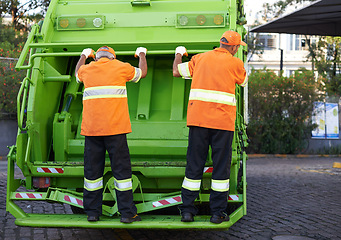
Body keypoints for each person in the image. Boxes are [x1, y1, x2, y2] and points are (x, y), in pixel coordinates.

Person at [172, 30, 247, 224]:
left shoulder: (199, 59)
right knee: (220, 169)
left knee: (194, 166)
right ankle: (217, 213)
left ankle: (187, 211)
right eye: (238, 47)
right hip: (222, 124)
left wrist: (178, 53)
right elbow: (244, 81)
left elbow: (176, 71)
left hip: (198, 122)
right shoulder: (235, 63)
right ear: (233, 47)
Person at [75, 46, 147, 223]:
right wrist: (142, 53)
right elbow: (142, 73)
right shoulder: (120, 67)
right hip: (116, 130)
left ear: (96, 58)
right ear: (113, 58)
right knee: (122, 173)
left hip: (92, 131)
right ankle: (127, 214)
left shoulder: (87, 69)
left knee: (92, 173)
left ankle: (92, 213)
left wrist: (84, 55)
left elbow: (77, 72)